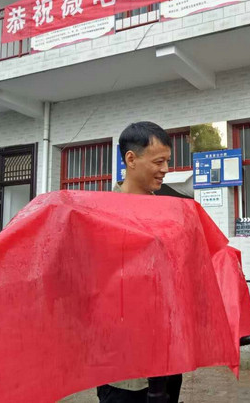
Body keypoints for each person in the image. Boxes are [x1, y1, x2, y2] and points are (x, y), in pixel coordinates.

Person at [97, 121, 183, 403]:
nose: (166, 169)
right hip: (121, 367)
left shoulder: (172, 207)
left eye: (167, 161)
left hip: (168, 357)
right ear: (130, 159)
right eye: (159, 161)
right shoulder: (100, 214)